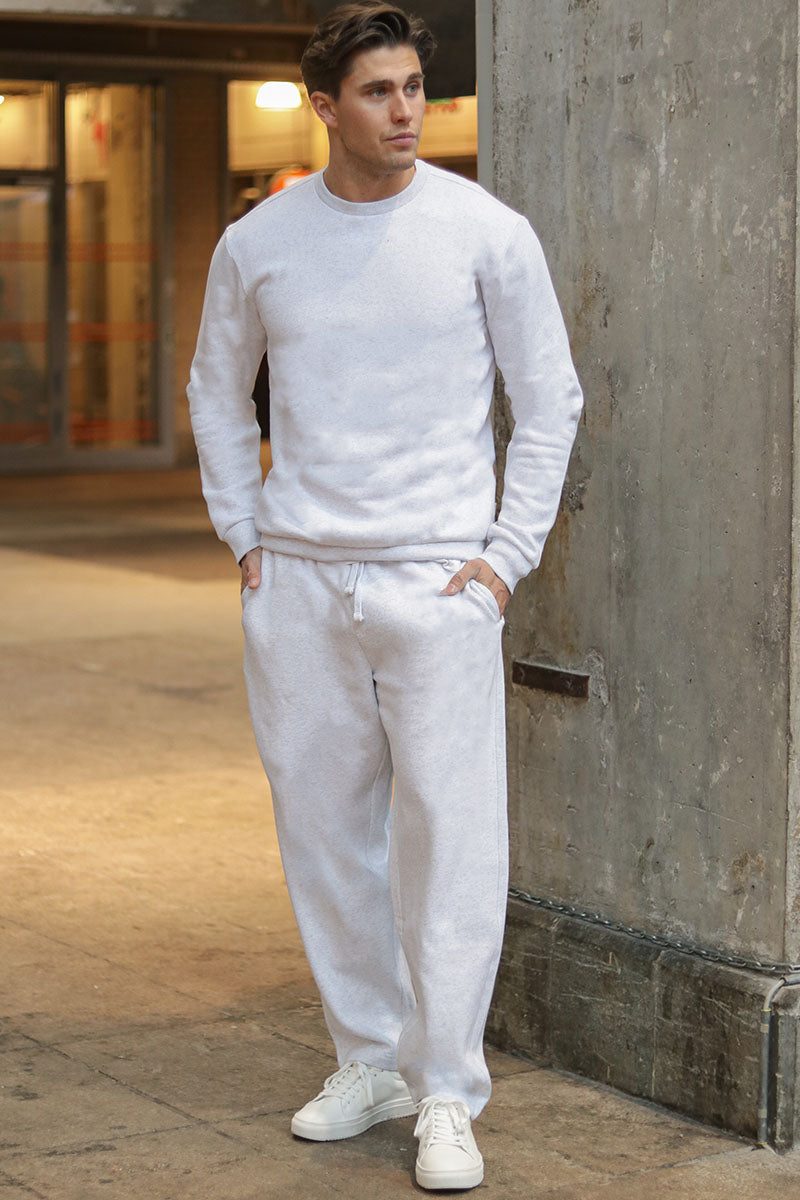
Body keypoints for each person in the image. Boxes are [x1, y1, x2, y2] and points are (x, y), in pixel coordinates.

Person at [187, 2, 583, 1190]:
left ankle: (446, 1091)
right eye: (377, 91)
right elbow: (215, 388)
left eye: (414, 87)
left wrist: (503, 558)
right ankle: (369, 1059)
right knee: (324, 836)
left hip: (436, 577)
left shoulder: (484, 232)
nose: (405, 110)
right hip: (298, 579)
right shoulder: (260, 240)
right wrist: (242, 531)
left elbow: (548, 398)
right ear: (324, 106)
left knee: (450, 840)